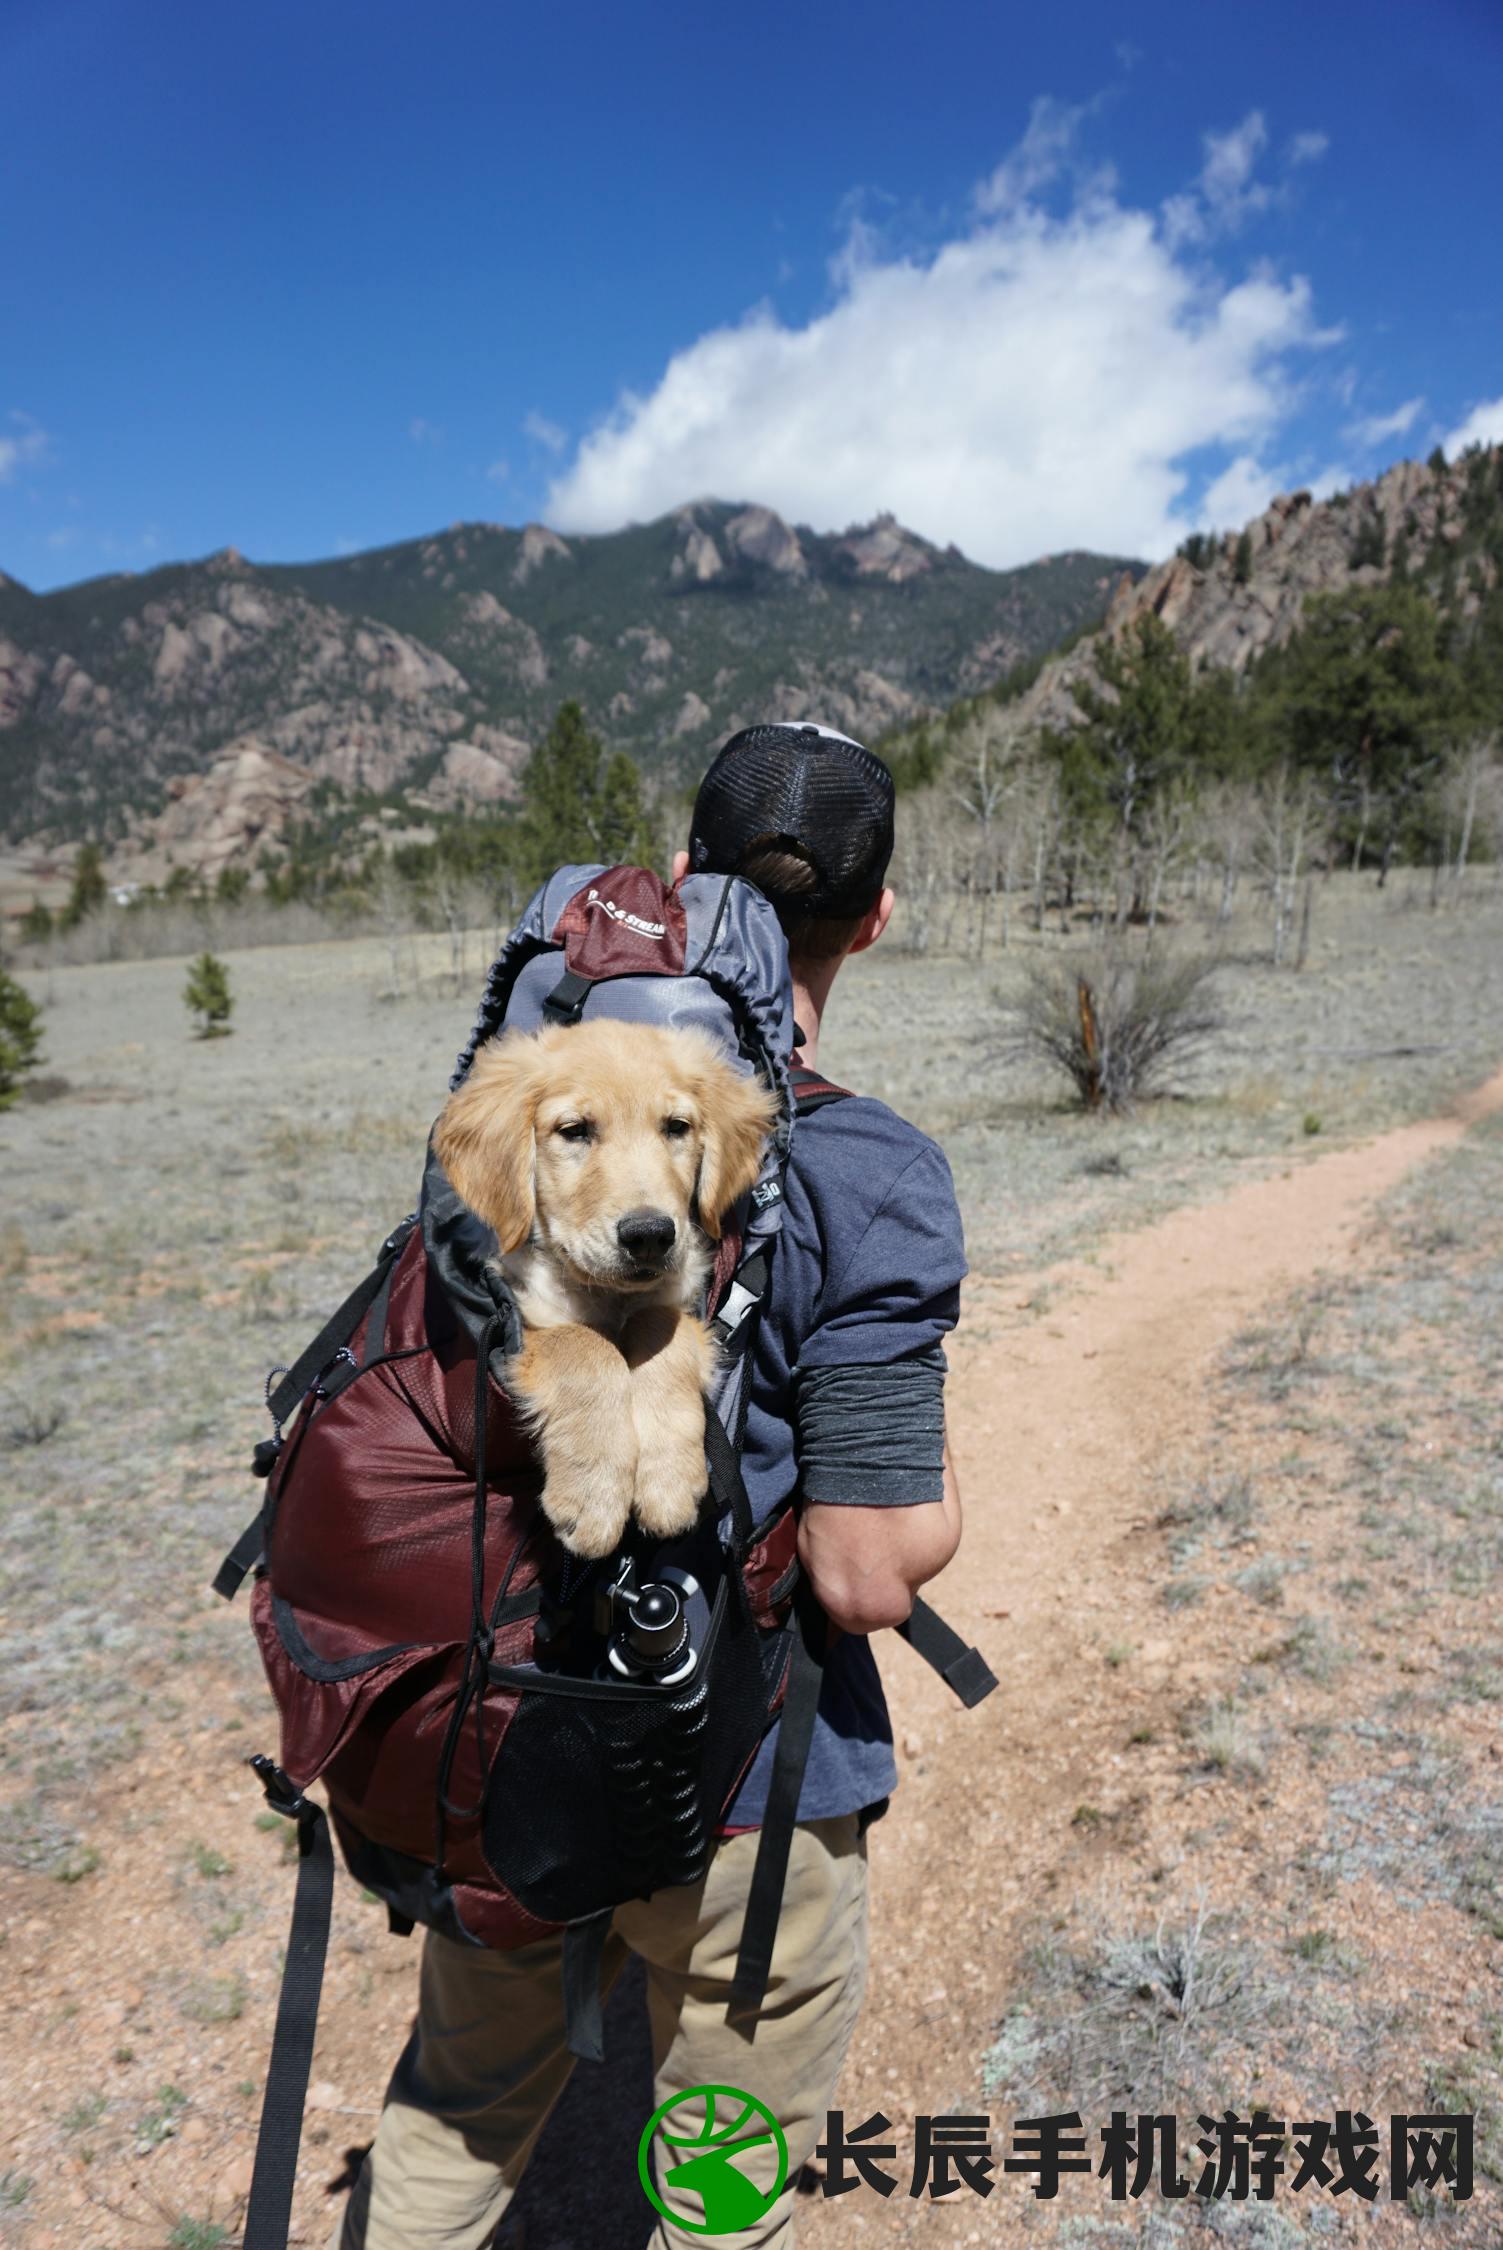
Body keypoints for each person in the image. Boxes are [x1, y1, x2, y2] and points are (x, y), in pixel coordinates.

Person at [333, 720, 967, 2250]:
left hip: (505, 1732)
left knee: (456, 2110)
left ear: (677, 883)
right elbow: (868, 1570)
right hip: (748, 1790)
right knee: (724, 2160)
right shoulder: (868, 1168)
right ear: (875, 918)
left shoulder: (536, 1114)